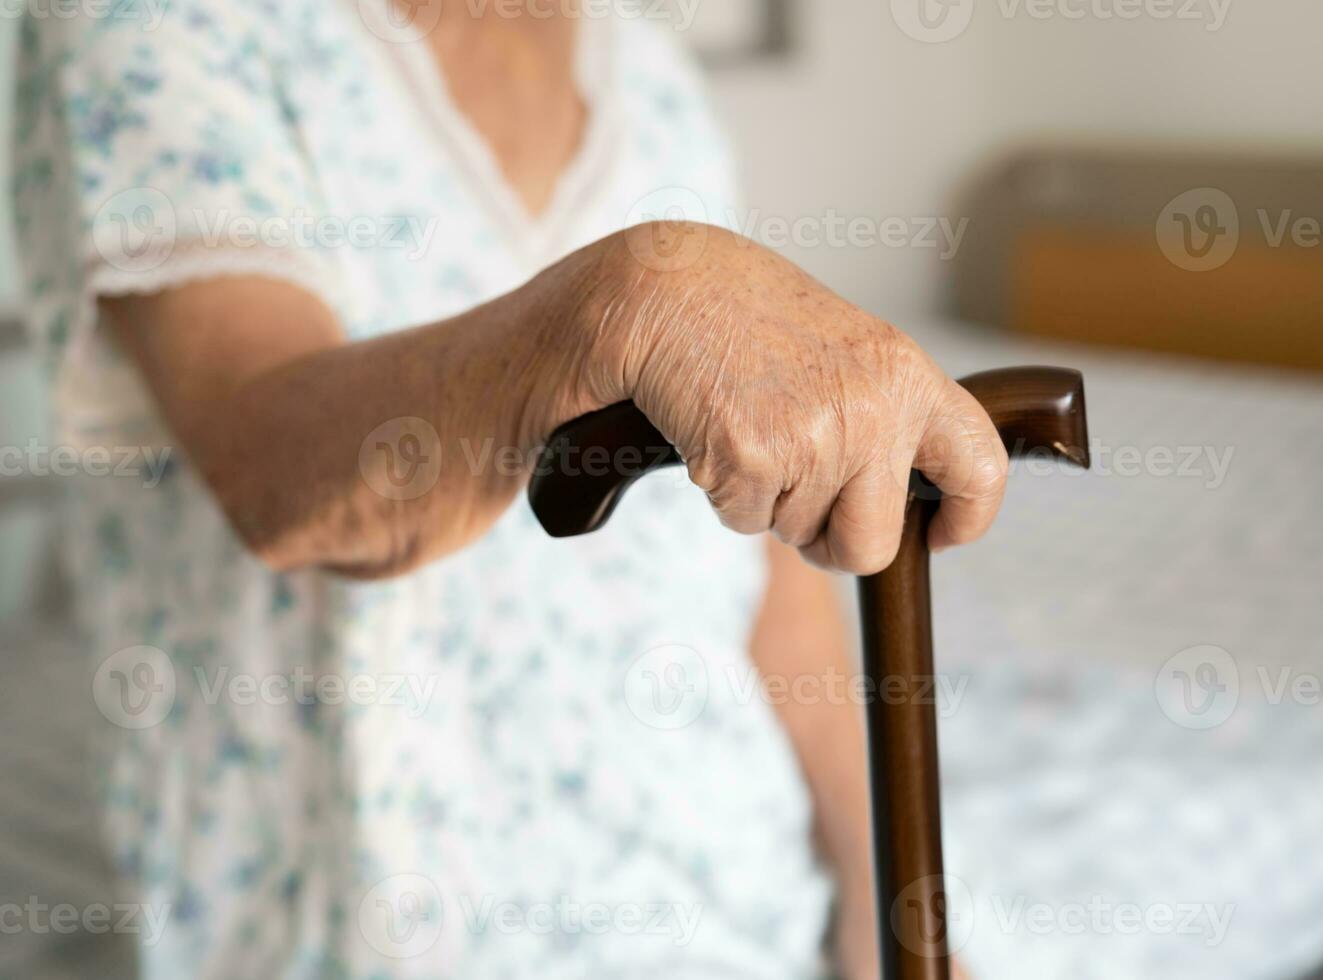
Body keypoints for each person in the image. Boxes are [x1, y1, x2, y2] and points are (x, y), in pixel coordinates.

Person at [11, 1, 1003, 976]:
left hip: (734, 892)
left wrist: (890, 894)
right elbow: (276, 474)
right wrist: (627, 301)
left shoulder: (648, 85)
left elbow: (747, 559)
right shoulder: (153, 23)